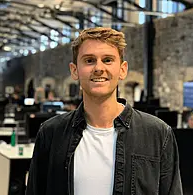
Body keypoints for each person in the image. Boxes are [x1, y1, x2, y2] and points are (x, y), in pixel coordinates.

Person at [26, 27, 183, 195]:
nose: (99, 68)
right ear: (74, 70)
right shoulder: (51, 133)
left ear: (122, 70)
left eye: (108, 60)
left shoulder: (157, 134)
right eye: (89, 60)